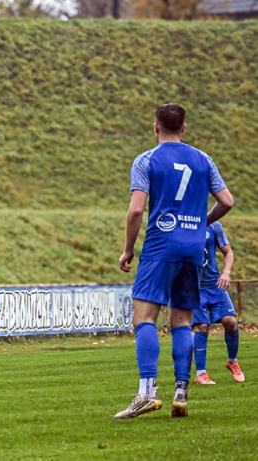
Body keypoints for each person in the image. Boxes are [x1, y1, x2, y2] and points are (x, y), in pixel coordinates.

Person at [115, 103, 234, 419]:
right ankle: (181, 391)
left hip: (160, 246)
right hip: (193, 249)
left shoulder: (146, 160)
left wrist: (128, 249)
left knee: (144, 318)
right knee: (182, 320)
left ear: (156, 127)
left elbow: (137, 210)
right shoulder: (204, 160)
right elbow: (227, 201)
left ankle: (147, 393)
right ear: (183, 128)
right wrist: (201, 224)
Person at [193, 222, 245, 385]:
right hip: (193, 287)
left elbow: (228, 252)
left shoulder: (214, 226)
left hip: (215, 285)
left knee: (230, 322)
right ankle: (201, 373)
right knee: (202, 326)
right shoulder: (182, 223)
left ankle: (233, 361)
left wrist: (226, 272)